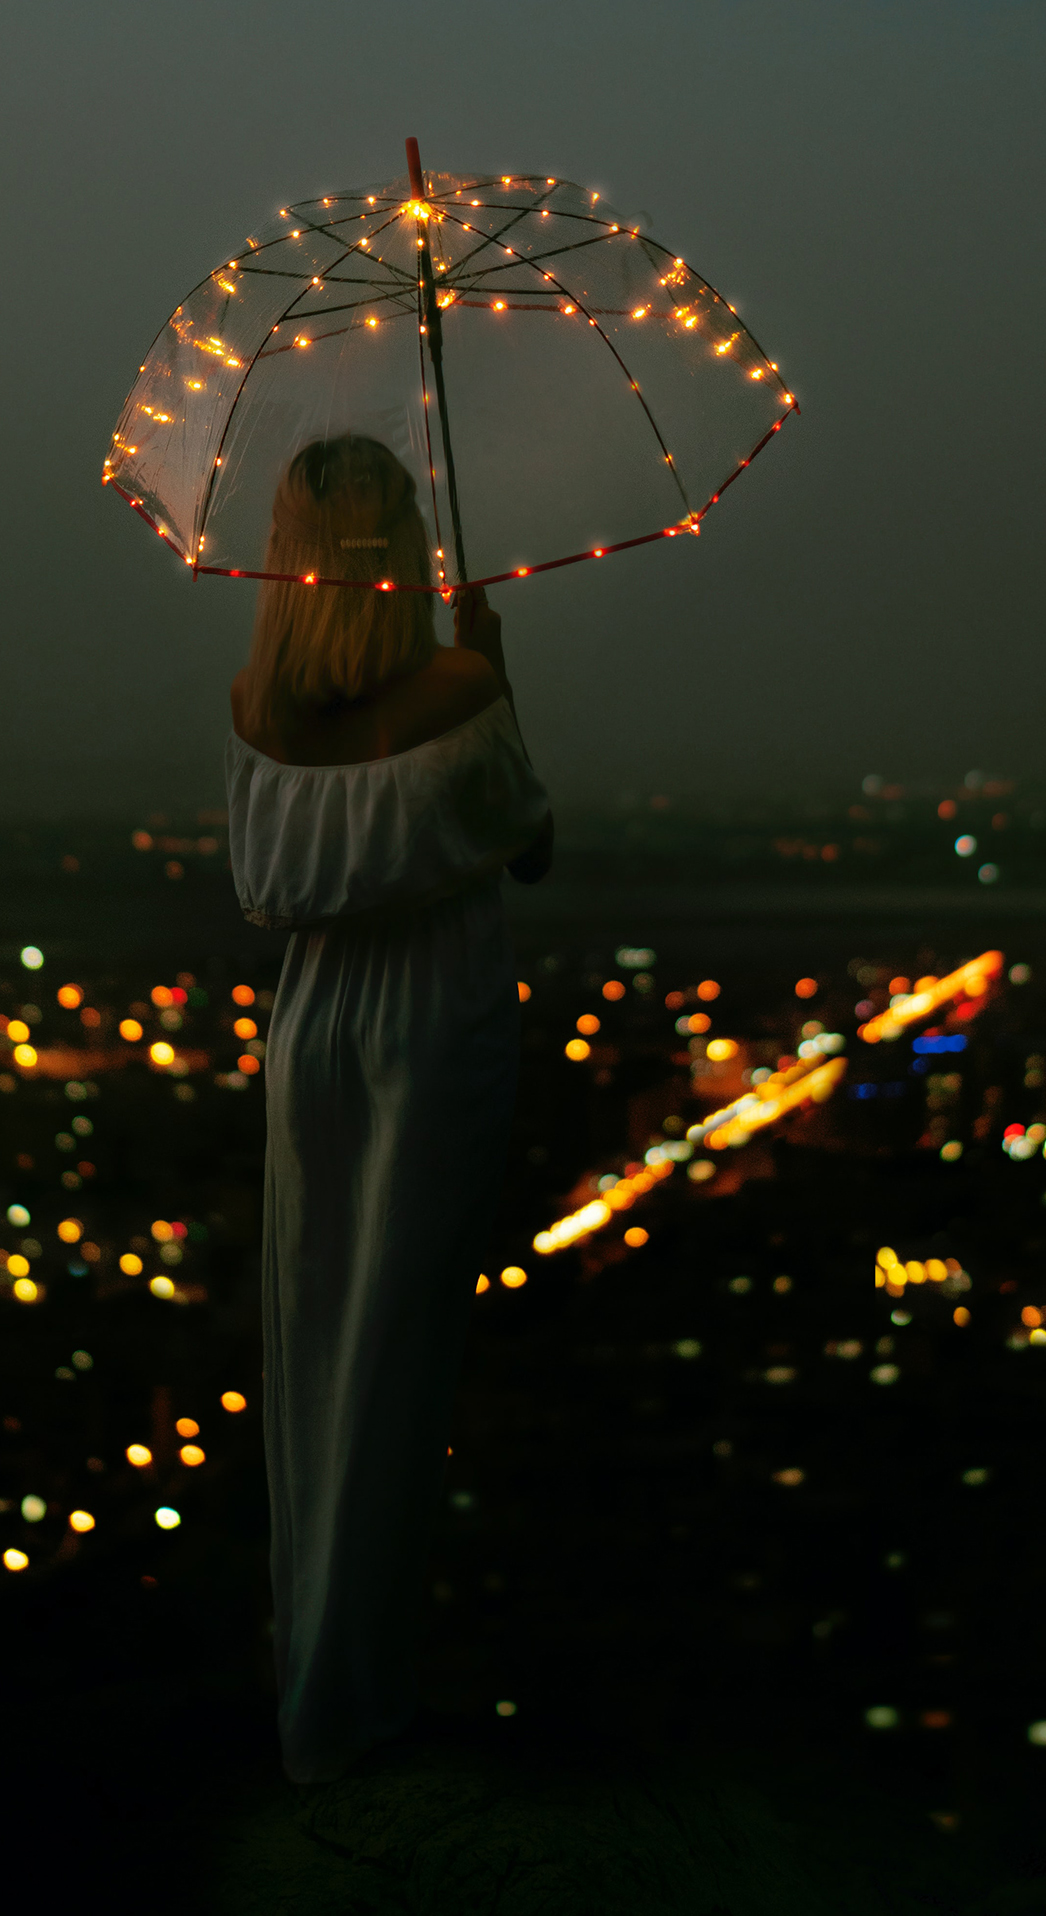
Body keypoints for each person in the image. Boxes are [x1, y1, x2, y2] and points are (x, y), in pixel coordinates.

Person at [225, 434, 552, 1784]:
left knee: (312, 1342)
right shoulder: (460, 683)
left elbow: (268, 891)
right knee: (402, 1354)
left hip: (313, 1036)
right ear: (408, 544)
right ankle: (363, 1699)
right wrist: (497, 680)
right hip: (433, 1022)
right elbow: (527, 846)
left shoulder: (254, 702)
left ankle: (319, 1681)